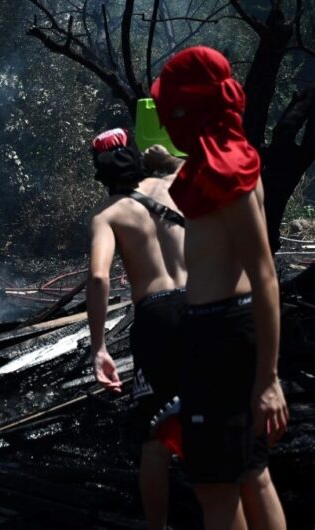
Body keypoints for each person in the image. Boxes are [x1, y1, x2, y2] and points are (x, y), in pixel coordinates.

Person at [152, 46, 289, 530]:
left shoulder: (228, 173)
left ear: (188, 109)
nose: (165, 120)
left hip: (221, 338)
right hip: (221, 333)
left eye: (171, 109)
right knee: (251, 474)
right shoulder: (224, 161)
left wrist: (268, 380)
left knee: (216, 488)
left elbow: (265, 272)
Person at [86, 128, 187, 530]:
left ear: (100, 173)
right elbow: (193, 165)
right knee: (214, 416)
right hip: (201, 304)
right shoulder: (171, 187)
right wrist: (163, 159)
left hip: (157, 316)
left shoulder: (107, 215)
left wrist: (99, 346)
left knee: (155, 435)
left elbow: (99, 277)